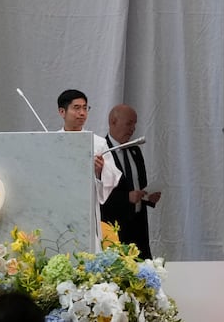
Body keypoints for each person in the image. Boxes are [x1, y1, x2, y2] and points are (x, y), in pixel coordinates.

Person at [57, 89, 121, 248]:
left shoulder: (98, 143)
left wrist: (99, 171)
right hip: (58, 209)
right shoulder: (52, 141)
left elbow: (112, 176)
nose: (82, 113)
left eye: (85, 108)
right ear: (62, 112)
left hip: (86, 209)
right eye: (76, 108)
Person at [101, 104, 160, 258]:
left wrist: (148, 197)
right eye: (129, 123)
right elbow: (98, 194)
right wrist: (126, 198)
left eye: (134, 124)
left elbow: (139, 186)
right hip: (114, 228)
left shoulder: (135, 150)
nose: (133, 129)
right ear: (113, 122)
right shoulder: (101, 152)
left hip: (138, 228)